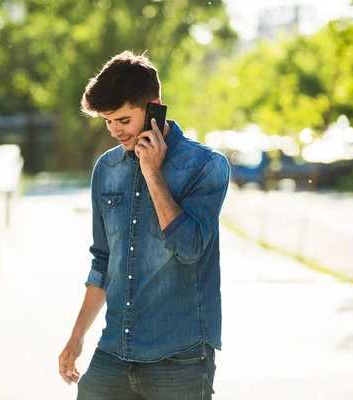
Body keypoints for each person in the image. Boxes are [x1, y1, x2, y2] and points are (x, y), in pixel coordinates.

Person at [58, 50, 230, 400]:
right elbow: (103, 261)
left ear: (154, 107)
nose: (115, 132)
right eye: (108, 122)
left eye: (123, 120)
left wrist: (151, 172)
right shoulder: (106, 169)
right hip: (114, 352)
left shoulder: (206, 166)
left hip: (180, 358)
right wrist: (77, 336)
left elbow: (190, 248)